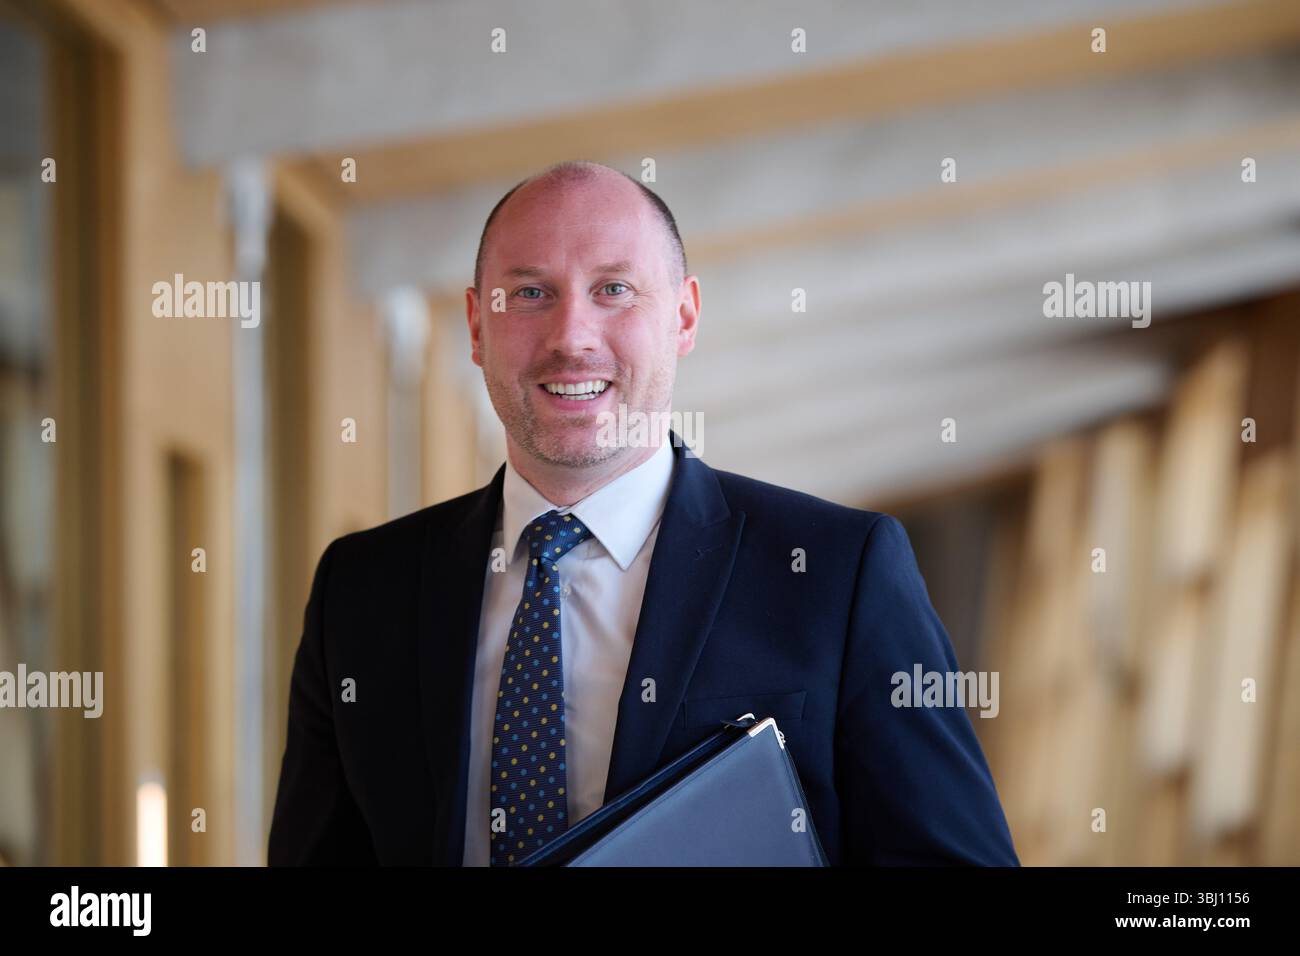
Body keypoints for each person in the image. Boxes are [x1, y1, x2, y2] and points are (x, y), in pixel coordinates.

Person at [267, 160, 1019, 866]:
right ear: (475, 326)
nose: (571, 338)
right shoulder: (360, 590)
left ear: (684, 317)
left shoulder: (837, 573)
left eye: (614, 289)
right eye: (529, 293)